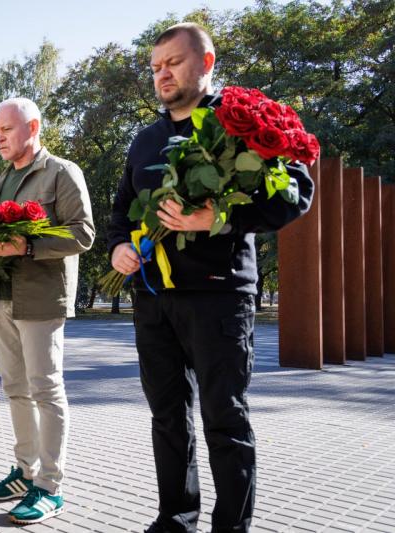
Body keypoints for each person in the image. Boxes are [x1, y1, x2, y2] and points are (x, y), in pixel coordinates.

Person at [106, 23, 314, 533]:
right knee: (167, 418)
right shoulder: (145, 139)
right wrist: (117, 251)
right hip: (153, 299)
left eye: (173, 63)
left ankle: (232, 527)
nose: (162, 74)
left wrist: (219, 218)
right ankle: (176, 518)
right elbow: (119, 215)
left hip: (218, 297)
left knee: (225, 419)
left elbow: (296, 195)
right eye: (156, 67)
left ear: (207, 61)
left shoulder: (237, 124)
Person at [0, 97, 95, 525]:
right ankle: (23, 471)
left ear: (32, 127)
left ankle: (50, 485)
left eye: (6, 129)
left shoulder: (61, 172)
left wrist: (28, 246)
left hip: (41, 299)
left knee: (45, 389)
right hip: (2, 297)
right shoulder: (1, 180)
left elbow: (83, 234)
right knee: (14, 388)